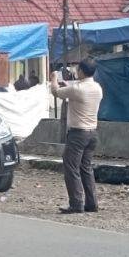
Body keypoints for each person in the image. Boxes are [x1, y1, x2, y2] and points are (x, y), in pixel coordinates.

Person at [50, 58, 103, 214]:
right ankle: (92, 203)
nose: (75, 71)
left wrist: (54, 79)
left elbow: (55, 92)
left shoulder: (77, 89)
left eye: (77, 69)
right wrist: (69, 86)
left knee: (71, 167)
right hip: (92, 133)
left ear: (81, 71)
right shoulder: (97, 88)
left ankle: (76, 203)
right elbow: (76, 92)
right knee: (86, 168)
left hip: (78, 133)